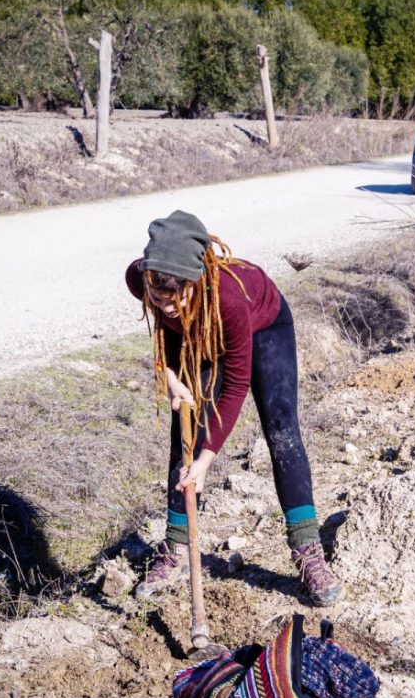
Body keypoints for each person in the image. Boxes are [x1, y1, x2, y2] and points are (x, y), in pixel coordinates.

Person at [125, 210, 342, 605]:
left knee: (281, 430)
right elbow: (165, 334)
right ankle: (174, 549)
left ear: (197, 280)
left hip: (264, 326)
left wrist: (208, 460)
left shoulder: (226, 297)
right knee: (184, 434)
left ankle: (307, 549)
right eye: (160, 299)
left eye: (178, 299)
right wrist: (171, 379)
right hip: (205, 334)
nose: (168, 308)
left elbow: (237, 384)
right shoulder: (143, 279)